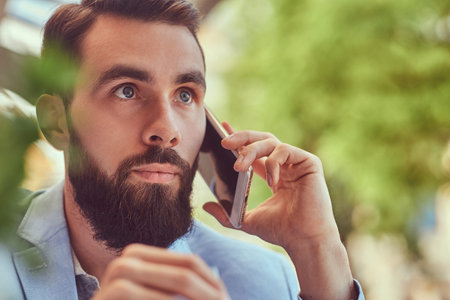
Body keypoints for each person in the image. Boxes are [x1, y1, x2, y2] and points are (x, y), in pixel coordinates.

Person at [5, 0, 365, 299]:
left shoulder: (264, 281)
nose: (167, 129)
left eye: (185, 95)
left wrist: (316, 246)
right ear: (57, 122)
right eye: (127, 90)